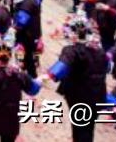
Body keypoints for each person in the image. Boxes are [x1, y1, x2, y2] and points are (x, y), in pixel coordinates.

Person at [43, 10, 108, 142]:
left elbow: (61, 67)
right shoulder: (99, 50)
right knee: (89, 126)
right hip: (97, 92)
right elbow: (108, 67)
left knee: (80, 128)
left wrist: (48, 76)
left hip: (79, 95)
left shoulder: (72, 51)